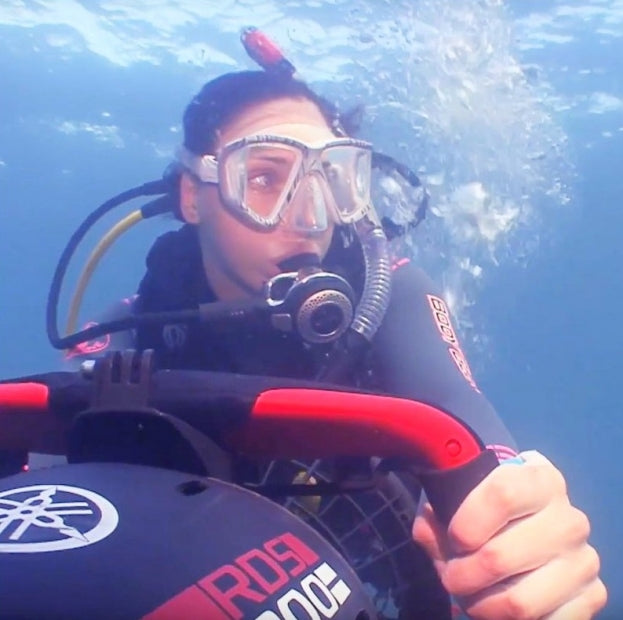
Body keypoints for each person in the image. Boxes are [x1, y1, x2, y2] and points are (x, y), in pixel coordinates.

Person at [60, 65, 606, 619]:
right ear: (192, 196)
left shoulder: (389, 295)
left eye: (329, 179)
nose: (309, 217)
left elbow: (467, 425)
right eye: (264, 178)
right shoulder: (131, 328)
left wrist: (521, 531)